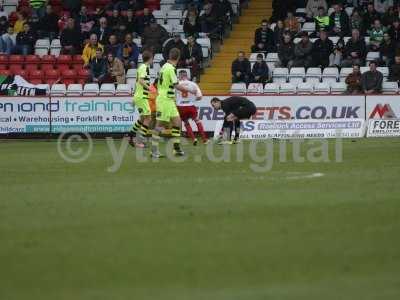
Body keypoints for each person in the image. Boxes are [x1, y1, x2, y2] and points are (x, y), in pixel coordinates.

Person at [151, 48, 192, 158]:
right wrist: (191, 90)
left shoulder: (164, 66)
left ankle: (176, 148)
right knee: (159, 125)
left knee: (177, 122)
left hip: (168, 99)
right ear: (178, 57)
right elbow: (176, 84)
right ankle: (154, 150)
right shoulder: (171, 68)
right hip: (164, 99)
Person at [176, 70, 208, 145]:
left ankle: (193, 139)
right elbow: (200, 97)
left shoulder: (177, 84)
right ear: (187, 75)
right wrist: (192, 100)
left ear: (179, 76)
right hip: (190, 106)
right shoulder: (193, 84)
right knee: (197, 121)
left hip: (181, 107)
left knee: (186, 123)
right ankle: (204, 139)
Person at [129, 50, 153, 148]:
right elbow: (141, 80)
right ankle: (140, 141)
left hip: (139, 96)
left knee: (143, 118)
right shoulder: (144, 67)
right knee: (148, 118)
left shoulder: (142, 67)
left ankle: (130, 135)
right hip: (142, 96)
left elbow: (138, 81)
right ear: (150, 58)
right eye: (152, 58)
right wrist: (149, 88)